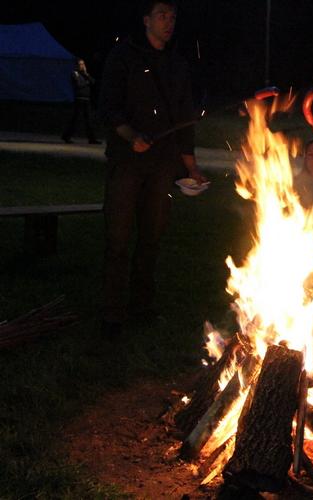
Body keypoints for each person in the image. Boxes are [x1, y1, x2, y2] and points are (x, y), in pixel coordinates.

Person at [98, 0, 207, 336]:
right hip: (127, 162)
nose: (168, 22)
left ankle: (142, 305)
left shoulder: (177, 64)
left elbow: (185, 118)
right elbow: (109, 107)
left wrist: (191, 167)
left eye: (172, 16)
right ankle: (112, 313)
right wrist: (131, 136)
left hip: (162, 164)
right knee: (118, 238)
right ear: (146, 20)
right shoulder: (123, 57)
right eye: (162, 15)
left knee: (152, 237)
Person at [61, 58, 100, 144]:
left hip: (87, 100)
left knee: (89, 120)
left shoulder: (85, 74)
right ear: (76, 65)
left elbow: (93, 82)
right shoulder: (74, 73)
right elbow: (79, 84)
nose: (82, 66)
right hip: (79, 99)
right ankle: (66, 136)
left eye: (83, 64)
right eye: (80, 64)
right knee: (75, 119)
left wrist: (86, 74)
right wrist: (87, 82)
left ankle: (92, 139)